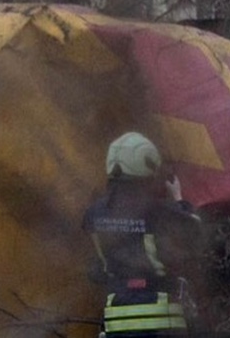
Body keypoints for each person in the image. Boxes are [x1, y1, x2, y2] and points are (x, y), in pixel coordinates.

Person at [83, 132, 201, 337]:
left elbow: (97, 271)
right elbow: (195, 233)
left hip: (116, 321)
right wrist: (178, 198)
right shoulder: (157, 211)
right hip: (161, 321)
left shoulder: (94, 214)